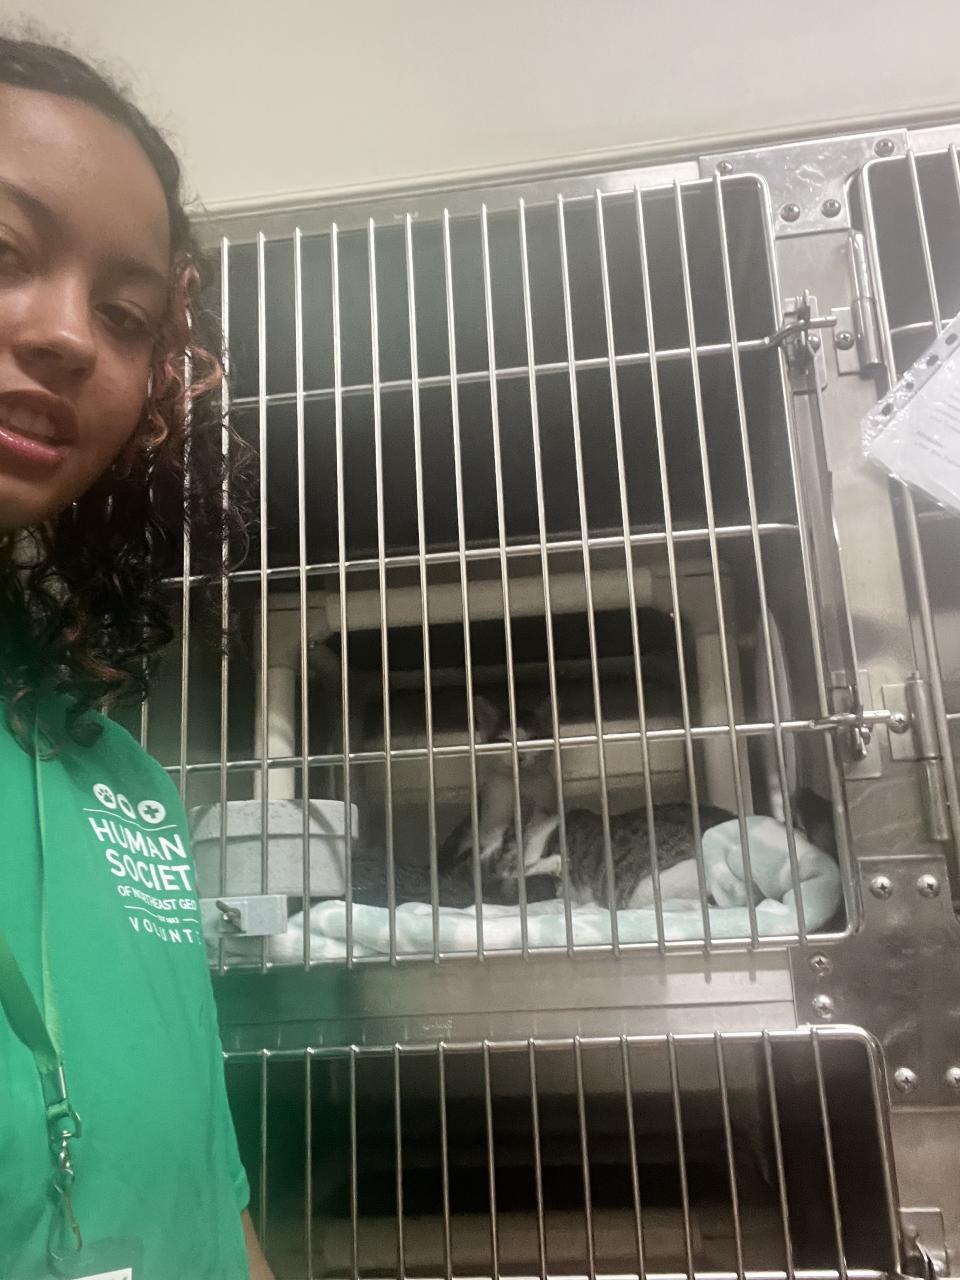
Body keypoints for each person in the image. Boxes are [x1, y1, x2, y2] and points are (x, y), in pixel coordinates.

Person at [0, 33, 274, 1280]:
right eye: (5, 252)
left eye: (126, 316)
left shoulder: (123, 782)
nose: (70, 336)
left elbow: (215, 1202)